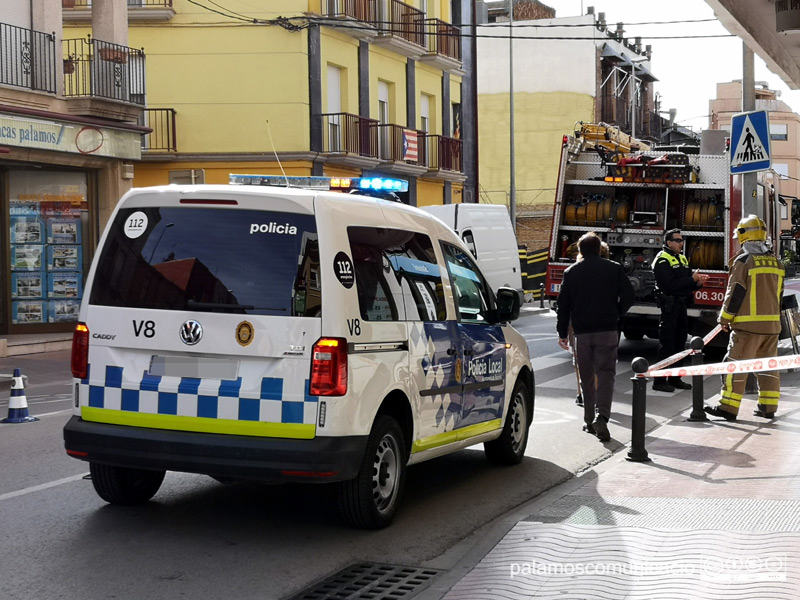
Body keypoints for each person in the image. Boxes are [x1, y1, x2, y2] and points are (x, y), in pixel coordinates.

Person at [705, 215, 784, 421]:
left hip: (747, 327)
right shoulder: (777, 262)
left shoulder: (743, 261)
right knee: (768, 368)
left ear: (743, 235)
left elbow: (735, 293)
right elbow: (779, 295)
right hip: (772, 327)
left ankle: (728, 408)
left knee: (736, 366)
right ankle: (768, 407)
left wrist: (724, 318)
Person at [557, 233, 635, 441]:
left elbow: (563, 305)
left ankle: (589, 420)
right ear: (600, 249)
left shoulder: (571, 272)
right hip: (608, 330)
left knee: (586, 376)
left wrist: (562, 332)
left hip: (582, 332)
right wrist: (617, 312)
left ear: (580, 251)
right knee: (607, 374)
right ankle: (603, 417)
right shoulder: (614, 268)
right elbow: (629, 295)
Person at [652, 228, 709, 392]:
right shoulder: (662, 259)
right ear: (668, 243)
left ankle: (675, 379)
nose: (681, 243)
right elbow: (670, 285)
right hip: (669, 306)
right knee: (667, 344)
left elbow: (686, 283)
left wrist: (697, 283)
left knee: (680, 343)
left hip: (681, 305)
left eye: (682, 240)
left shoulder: (682, 259)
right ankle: (660, 381)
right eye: (678, 240)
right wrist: (691, 279)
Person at [571, 241, 611, 407]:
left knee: (579, 358)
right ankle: (595, 395)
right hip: (604, 323)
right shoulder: (611, 270)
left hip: (578, 321)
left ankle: (582, 393)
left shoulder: (575, 271)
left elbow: (566, 299)